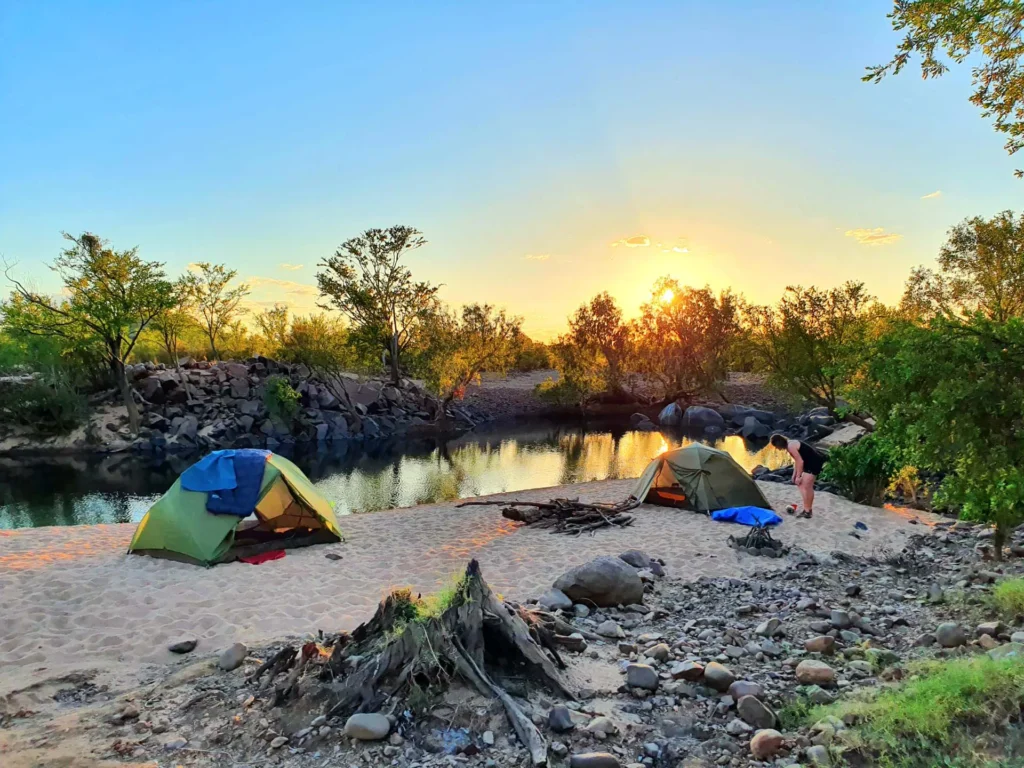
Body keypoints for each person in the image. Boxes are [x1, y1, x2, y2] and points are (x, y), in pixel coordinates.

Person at [769, 433, 825, 519]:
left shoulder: (790, 446)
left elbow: (800, 461)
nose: (777, 448)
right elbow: (796, 461)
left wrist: (798, 476)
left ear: (779, 443)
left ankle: (807, 511)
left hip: (814, 463)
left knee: (806, 487)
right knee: (802, 486)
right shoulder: (789, 444)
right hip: (809, 462)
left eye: (776, 446)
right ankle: (807, 510)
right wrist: (794, 475)